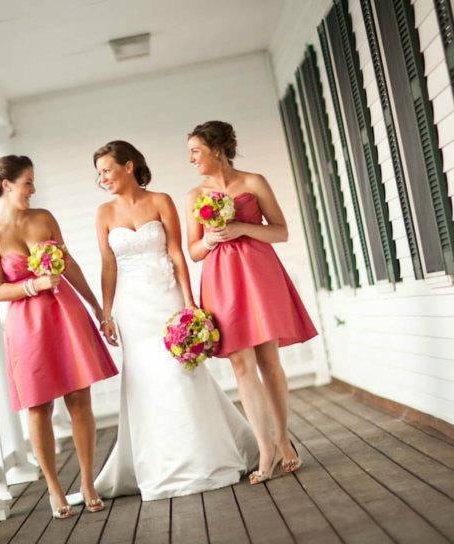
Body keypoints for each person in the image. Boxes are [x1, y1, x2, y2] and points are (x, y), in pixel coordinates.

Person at [90, 141, 257, 501]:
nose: (102, 178)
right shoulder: (104, 213)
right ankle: (161, 466)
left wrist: (189, 303)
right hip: (131, 309)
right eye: (99, 173)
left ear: (129, 166)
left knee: (182, 374)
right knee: (147, 382)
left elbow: (176, 254)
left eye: (107, 169)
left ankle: (206, 458)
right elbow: (108, 266)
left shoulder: (160, 201)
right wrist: (106, 313)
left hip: (167, 300)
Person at [0, 155, 118, 518]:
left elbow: (68, 265)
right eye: (27, 182)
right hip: (27, 325)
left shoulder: (44, 218)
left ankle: (87, 482)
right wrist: (32, 284)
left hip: (64, 313)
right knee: (38, 406)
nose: (32, 189)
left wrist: (99, 308)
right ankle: (55, 490)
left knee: (79, 397)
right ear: (7, 185)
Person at [185, 121, 318, 483]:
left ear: (216, 149)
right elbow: (193, 251)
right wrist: (211, 239)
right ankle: (265, 449)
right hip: (221, 281)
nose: (192, 158)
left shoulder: (254, 182)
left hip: (259, 274)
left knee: (268, 359)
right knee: (241, 365)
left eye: (196, 151)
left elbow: (281, 231)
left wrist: (242, 228)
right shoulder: (195, 195)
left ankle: (283, 438)